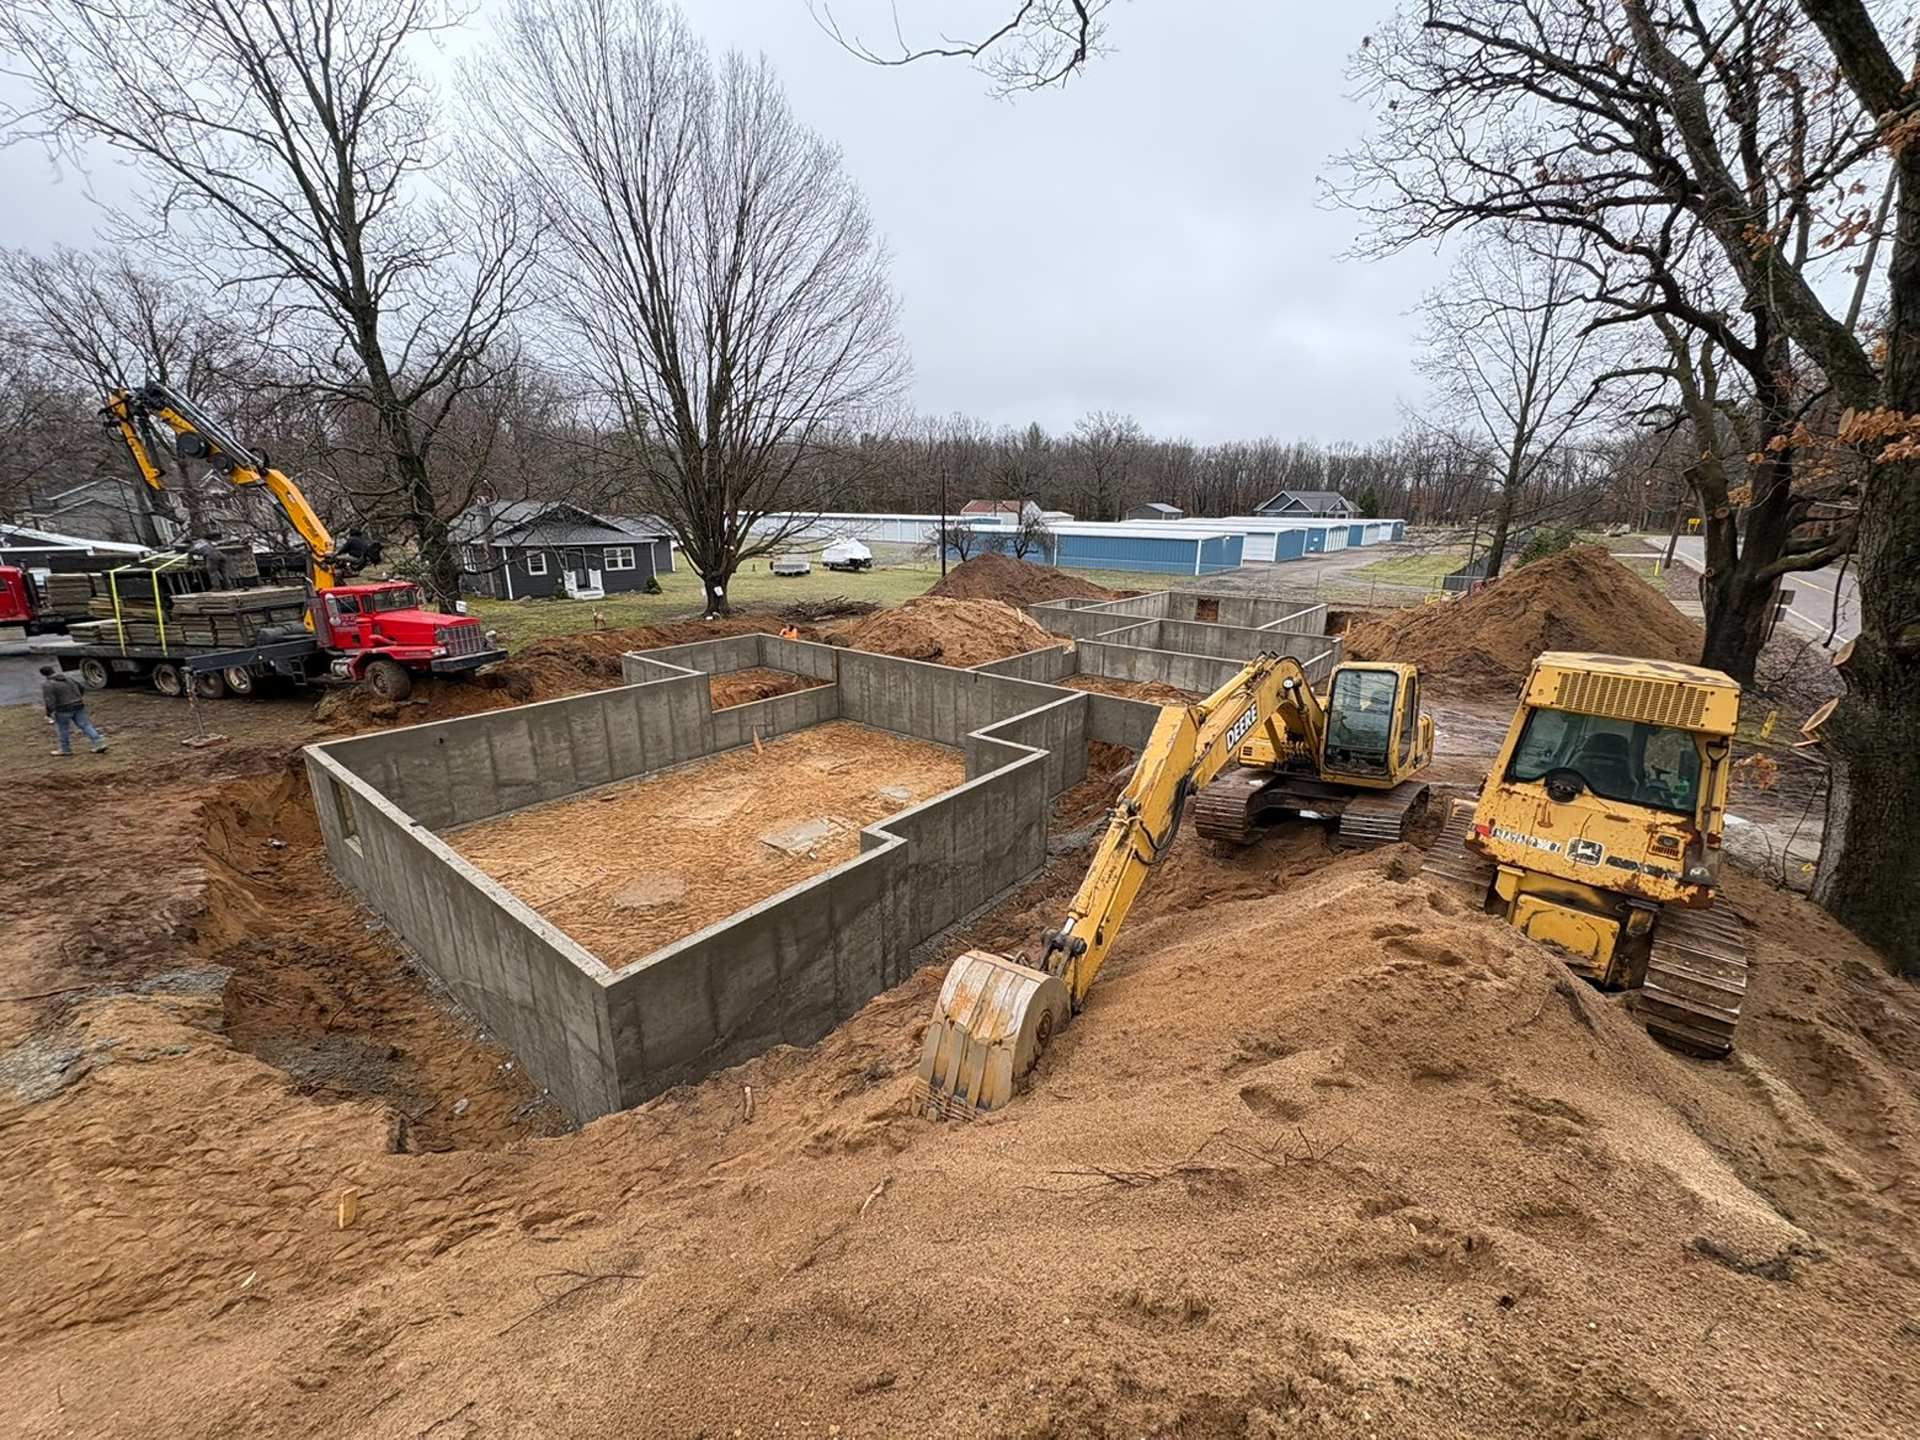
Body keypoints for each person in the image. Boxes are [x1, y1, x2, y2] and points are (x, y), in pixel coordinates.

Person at [40, 665, 107, 757]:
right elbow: (81, 687)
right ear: (53, 670)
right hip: (78, 705)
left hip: (63, 709)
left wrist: (49, 713)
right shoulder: (68, 679)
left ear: (43, 674)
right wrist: (78, 698)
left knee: (63, 729)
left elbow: (49, 700)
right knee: (86, 725)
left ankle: (65, 749)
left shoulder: (48, 684)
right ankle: (99, 743)